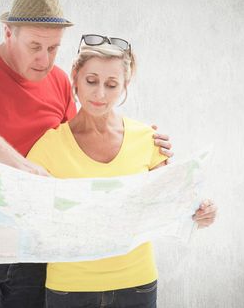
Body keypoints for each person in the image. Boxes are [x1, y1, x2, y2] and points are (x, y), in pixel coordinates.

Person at [0, 0, 174, 308]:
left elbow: (78, 148)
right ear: (8, 32)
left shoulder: (59, 82)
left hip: (33, 250)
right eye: (35, 46)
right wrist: (17, 164)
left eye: (53, 48)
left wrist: (145, 146)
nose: (44, 59)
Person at [25, 35, 217, 308]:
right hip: (69, 290)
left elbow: (175, 208)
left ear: (125, 86)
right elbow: (26, 218)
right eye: (91, 81)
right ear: (75, 77)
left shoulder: (148, 139)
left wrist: (202, 212)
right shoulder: (48, 147)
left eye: (111, 85)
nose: (100, 94)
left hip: (136, 287)